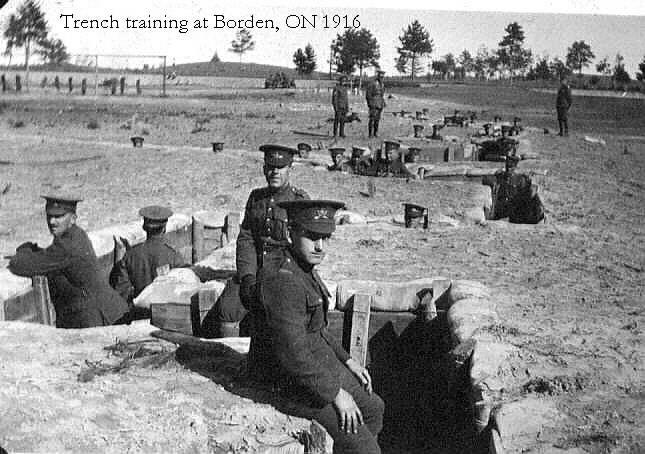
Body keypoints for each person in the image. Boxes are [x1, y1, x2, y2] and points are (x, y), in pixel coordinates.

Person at [249, 199, 384, 454]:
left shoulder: (303, 267)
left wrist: (347, 361)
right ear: (291, 233)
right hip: (287, 381)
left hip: (312, 364)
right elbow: (293, 355)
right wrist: (336, 394)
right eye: (312, 237)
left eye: (326, 238)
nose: (320, 246)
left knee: (374, 409)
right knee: (367, 449)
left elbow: (318, 329)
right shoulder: (283, 280)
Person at [200, 144, 309, 338]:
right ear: (264, 168)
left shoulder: (299, 201)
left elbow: (304, 248)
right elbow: (246, 239)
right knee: (228, 309)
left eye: (280, 167)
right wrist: (247, 277)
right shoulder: (256, 198)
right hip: (256, 271)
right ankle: (232, 361)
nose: (274, 172)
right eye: (270, 166)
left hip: (285, 274)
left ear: (290, 168)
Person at [8, 195, 129, 328]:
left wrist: (24, 250)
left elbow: (20, 265)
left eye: (59, 216)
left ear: (73, 219)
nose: (52, 221)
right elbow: (49, 256)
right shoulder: (75, 235)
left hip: (98, 319)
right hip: (105, 313)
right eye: (49, 216)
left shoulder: (68, 245)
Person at [109, 205, 188, 320]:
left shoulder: (130, 256)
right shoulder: (173, 256)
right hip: (167, 317)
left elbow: (121, 292)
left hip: (139, 316)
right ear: (164, 228)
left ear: (144, 227)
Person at [365, 70, 386, 138]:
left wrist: (383, 102)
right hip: (373, 104)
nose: (381, 78)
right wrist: (370, 104)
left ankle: (375, 133)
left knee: (377, 119)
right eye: (380, 77)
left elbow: (382, 94)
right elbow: (368, 95)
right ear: (377, 76)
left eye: (382, 77)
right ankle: (370, 134)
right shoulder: (372, 84)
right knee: (372, 119)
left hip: (380, 104)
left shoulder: (382, 85)